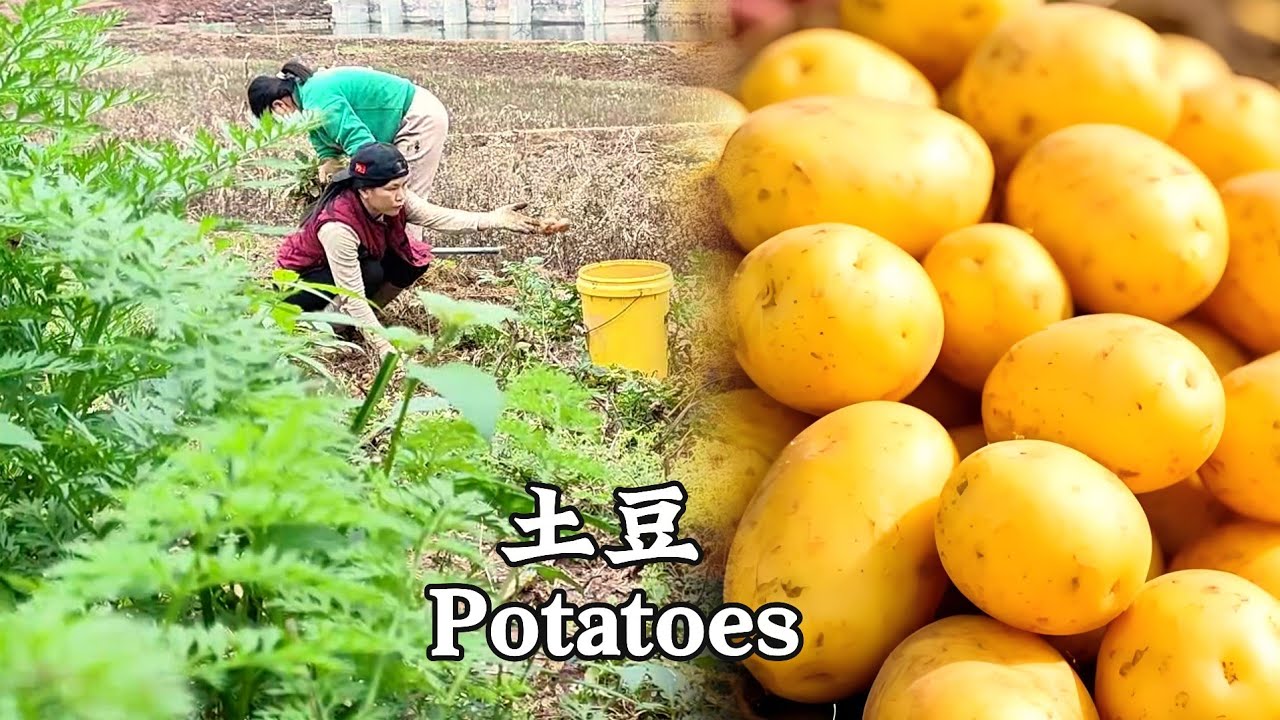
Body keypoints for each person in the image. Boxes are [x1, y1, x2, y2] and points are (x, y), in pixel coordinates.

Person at [276, 142, 561, 359]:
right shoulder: (338, 227)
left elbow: (438, 217)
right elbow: (351, 294)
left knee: (410, 260)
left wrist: (494, 219)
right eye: (391, 188)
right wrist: (384, 347)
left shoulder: (392, 201)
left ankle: (352, 326)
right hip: (300, 287)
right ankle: (320, 332)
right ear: (364, 191)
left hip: (340, 279)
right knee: (370, 272)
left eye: (403, 186)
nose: (400, 195)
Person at [247, 60, 455, 244]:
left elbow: (362, 144)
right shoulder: (307, 96)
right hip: (398, 120)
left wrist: (356, 181)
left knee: (400, 196)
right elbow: (322, 139)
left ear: (278, 105)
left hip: (417, 118)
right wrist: (328, 160)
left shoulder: (318, 97)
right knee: (383, 194)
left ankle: (408, 261)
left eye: (272, 120)